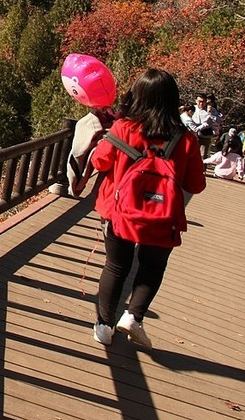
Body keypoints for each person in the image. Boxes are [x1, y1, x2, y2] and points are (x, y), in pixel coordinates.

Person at [88, 68, 206, 348]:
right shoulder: (185, 139)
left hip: (120, 213)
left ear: (138, 96)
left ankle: (104, 326)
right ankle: (133, 317)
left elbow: (99, 163)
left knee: (116, 267)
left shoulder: (123, 128)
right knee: (152, 267)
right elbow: (196, 184)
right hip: (163, 217)